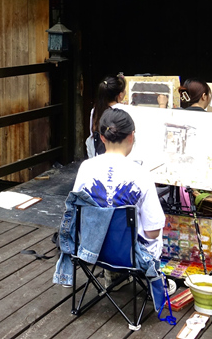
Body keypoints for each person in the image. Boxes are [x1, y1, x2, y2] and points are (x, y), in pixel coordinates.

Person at [59, 107, 170, 313]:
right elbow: (152, 232)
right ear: (132, 136)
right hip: (128, 256)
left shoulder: (85, 167)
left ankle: (113, 274)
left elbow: (76, 213)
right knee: (156, 225)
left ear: (102, 137)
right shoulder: (141, 173)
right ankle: (145, 277)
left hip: (90, 249)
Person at [86, 74, 125, 158]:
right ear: (120, 95)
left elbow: (92, 134)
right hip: (118, 155)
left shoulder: (95, 110)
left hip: (97, 154)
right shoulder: (123, 110)